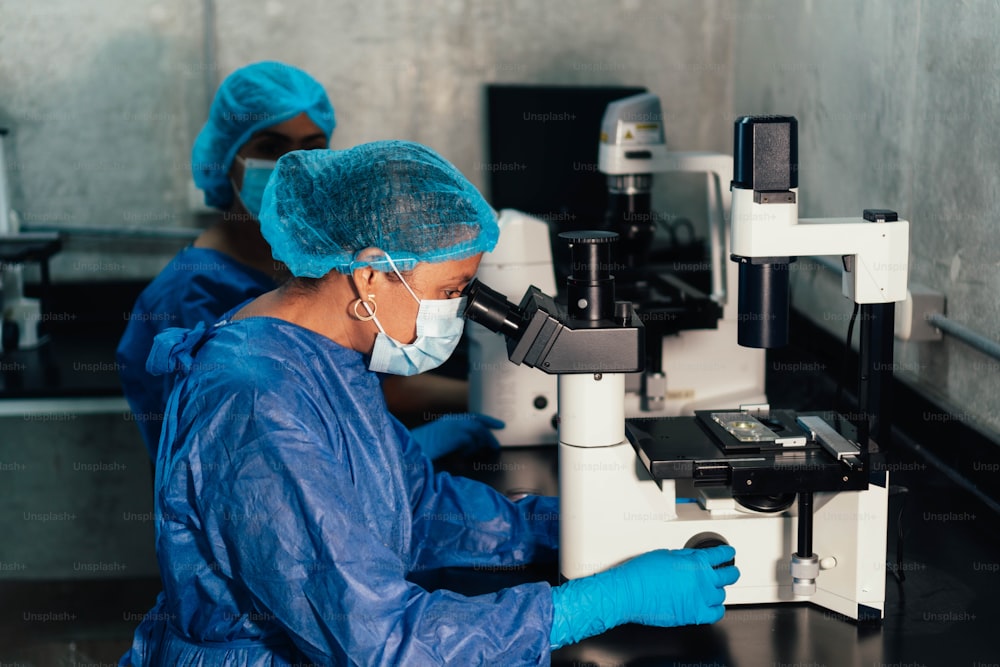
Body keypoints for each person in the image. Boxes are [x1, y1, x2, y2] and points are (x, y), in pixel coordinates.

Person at [119, 142, 739, 665]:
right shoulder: (256, 398)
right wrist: (594, 604)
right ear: (370, 274)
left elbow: (414, 508)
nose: (460, 308)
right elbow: (382, 640)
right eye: (453, 290)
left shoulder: (324, 349)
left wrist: (565, 523)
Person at [117, 61, 489, 463]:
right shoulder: (188, 296)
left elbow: (351, 377)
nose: (290, 164)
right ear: (226, 157)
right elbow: (241, 454)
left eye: (311, 147)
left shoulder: (310, 265)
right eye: (270, 147)